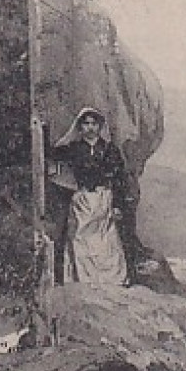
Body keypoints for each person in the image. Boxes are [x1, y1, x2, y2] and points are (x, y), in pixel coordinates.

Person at [48, 107, 131, 287]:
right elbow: (51, 156)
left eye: (94, 124)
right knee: (80, 238)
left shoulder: (110, 150)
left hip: (104, 198)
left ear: (100, 127)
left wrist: (117, 205)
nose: (90, 127)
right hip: (82, 199)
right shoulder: (73, 148)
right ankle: (84, 280)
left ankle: (111, 280)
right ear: (80, 126)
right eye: (86, 123)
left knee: (105, 239)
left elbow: (119, 179)